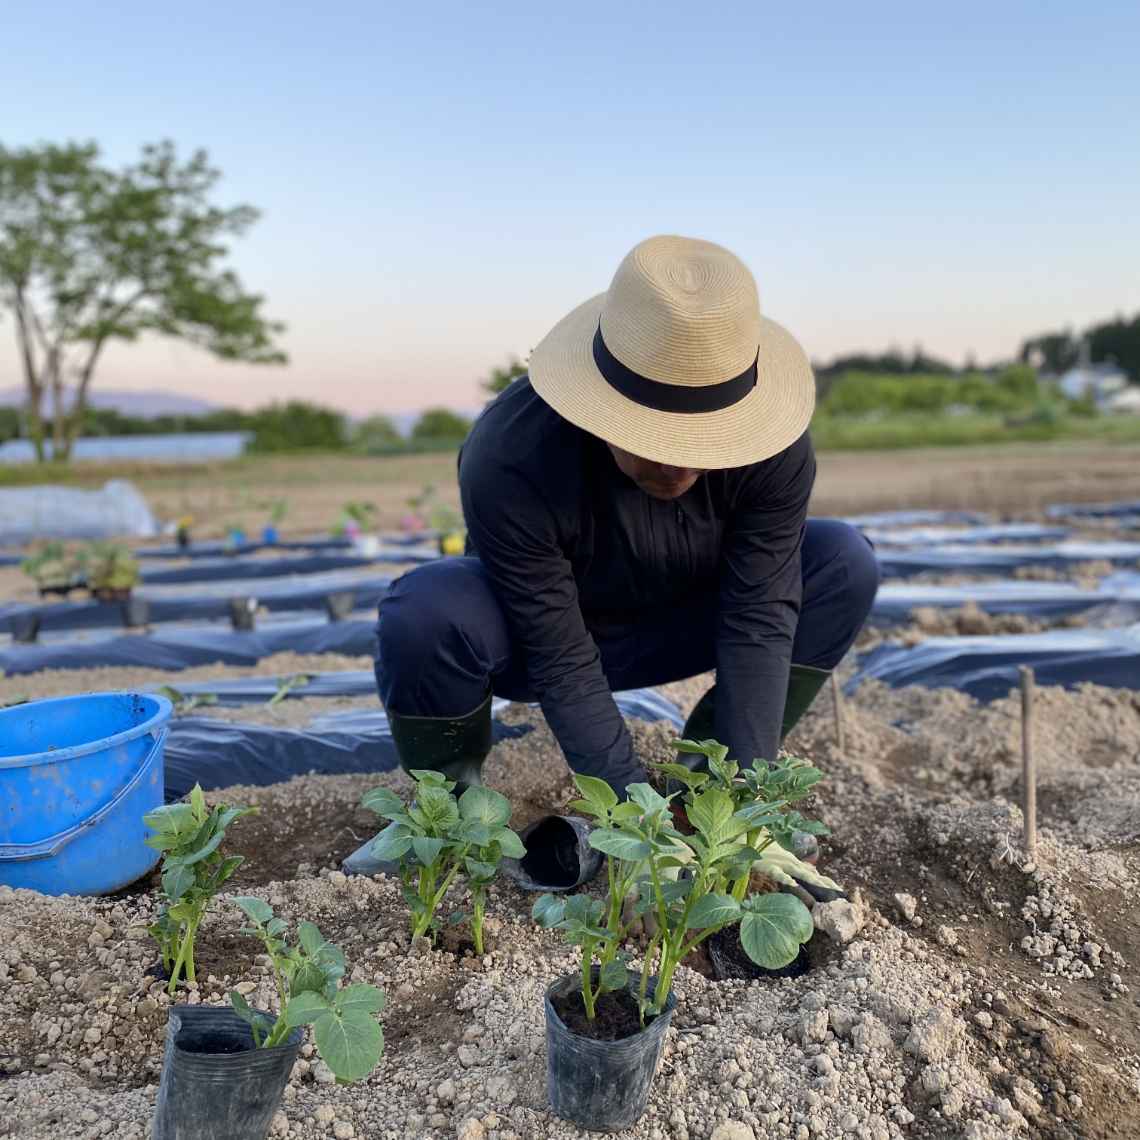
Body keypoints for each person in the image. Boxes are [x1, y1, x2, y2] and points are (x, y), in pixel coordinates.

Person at [375, 235, 878, 795]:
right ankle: (452, 807)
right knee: (425, 611)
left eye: (704, 439)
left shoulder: (775, 451)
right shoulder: (511, 454)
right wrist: (631, 812)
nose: (678, 464)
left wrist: (739, 804)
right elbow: (558, 652)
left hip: (687, 623)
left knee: (842, 561)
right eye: (650, 434)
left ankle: (710, 786)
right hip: (534, 640)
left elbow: (759, 618)